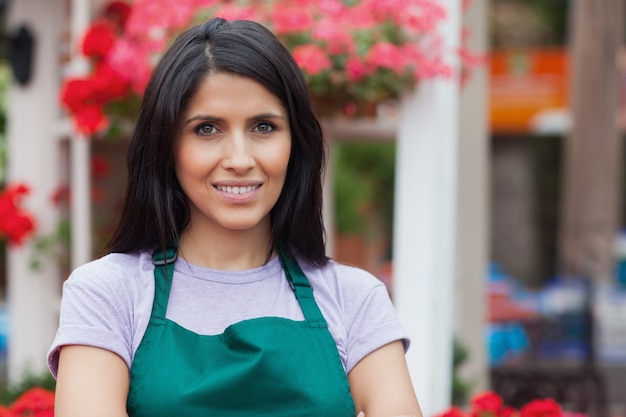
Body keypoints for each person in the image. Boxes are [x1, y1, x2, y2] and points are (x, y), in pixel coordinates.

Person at [48, 17, 422, 417]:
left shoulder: (354, 298)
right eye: (207, 129)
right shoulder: (107, 293)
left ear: (295, 143)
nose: (240, 160)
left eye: (264, 127)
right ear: (166, 145)